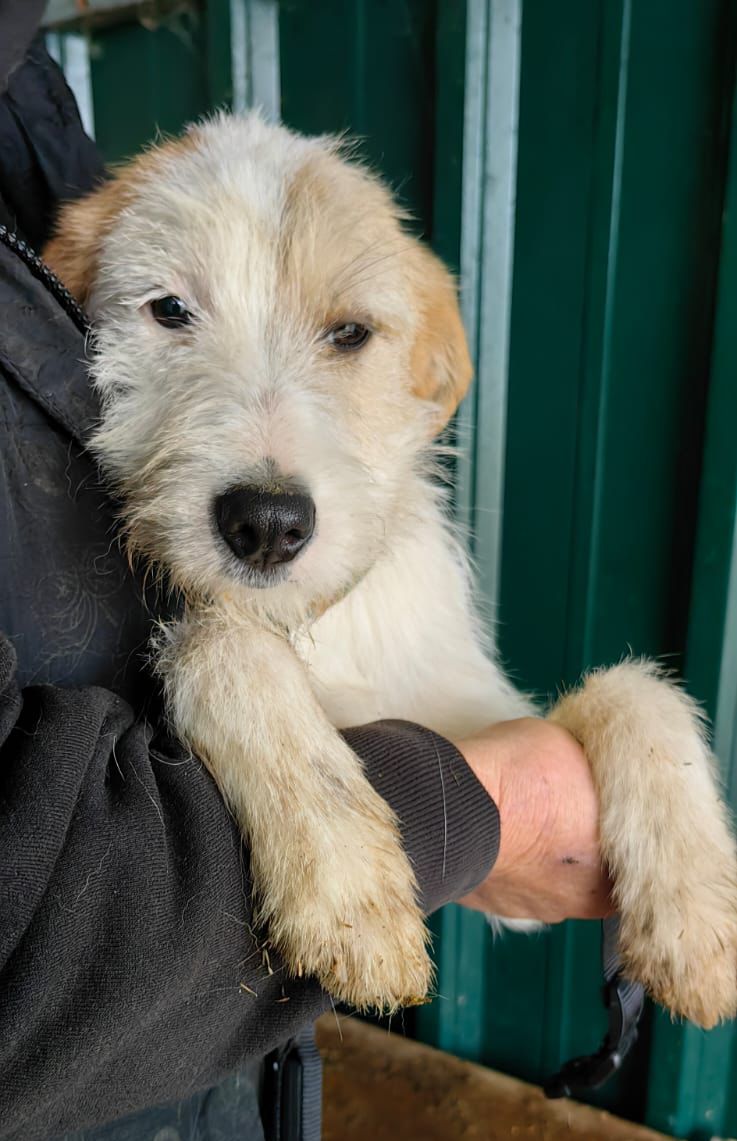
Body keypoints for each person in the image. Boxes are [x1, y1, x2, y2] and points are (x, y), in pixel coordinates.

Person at [0, 4, 610, 1139]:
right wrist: (479, 815)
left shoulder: (22, 106)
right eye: (171, 312)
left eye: (346, 334)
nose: (270, 459)